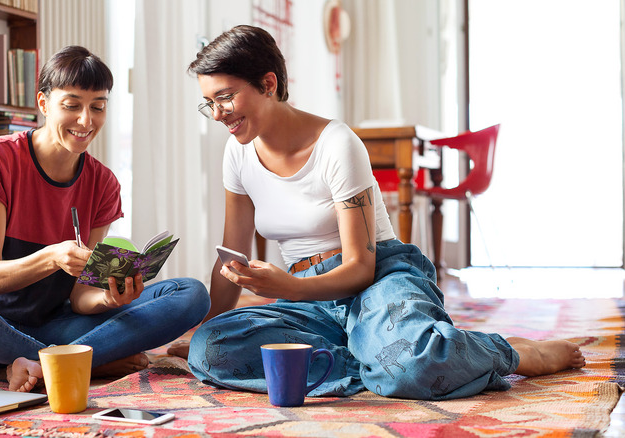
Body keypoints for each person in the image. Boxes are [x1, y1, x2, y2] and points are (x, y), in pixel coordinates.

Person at [176, 25, 585, 401]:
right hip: (308, 295)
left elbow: (360, 268)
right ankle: (388, 356)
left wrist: (287, 286)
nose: (217, 114)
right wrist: (206, 328)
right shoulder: (237, 153)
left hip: (376, 278)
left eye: (225, 97)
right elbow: (230, 255)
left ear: (269, 83)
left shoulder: (337, 143)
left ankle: (503, 352)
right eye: (208, 103)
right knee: (210, 350)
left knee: (410, 365)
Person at [0, 45, 210, 392]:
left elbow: (82, 297)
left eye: (98, 107)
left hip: (50, 325)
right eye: (72, 106)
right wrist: (53, 256)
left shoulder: (103, 183)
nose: (86, 121)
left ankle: (38, 362)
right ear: (43, 103)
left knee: (189, 293)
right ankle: (82, 362)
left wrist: (109, 298)